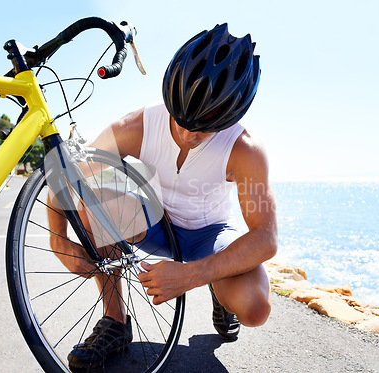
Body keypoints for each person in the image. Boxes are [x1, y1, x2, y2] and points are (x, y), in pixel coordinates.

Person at [47, 23, 277, 370]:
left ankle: (220, 290)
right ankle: (115, 321)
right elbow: (66, 177)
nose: (186, 135)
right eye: (180, 120)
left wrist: (193, 275)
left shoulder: (246, 151)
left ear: (230, 117)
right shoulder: (138, 124)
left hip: (210, 234)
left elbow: (266, 237)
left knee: (254, 308)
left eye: (202, 128)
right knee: (97, 197)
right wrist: (58, 242)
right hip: (154, 224)